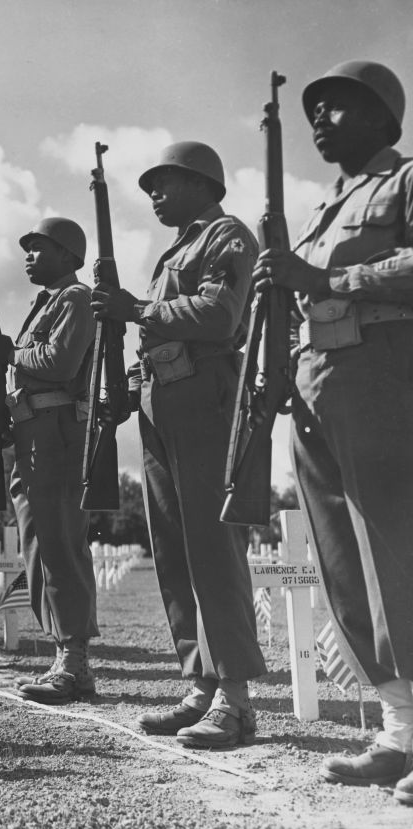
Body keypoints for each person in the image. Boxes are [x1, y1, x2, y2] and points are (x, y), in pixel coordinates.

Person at [256, 60, 413, 798]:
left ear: (384, 115)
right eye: (312, 111)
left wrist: (328, 281)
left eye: (338, 107)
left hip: (381, 374)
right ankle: (399, 727)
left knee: (393, 549)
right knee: (342, 559)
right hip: (316, 385)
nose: (320, 119)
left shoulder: (404, 181)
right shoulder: (323, 208)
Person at [91, 141, 266, 746]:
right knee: (173, 548)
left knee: (211, 545)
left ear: (202, 182)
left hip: (205, 394)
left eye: (163, 183)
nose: (154, 196)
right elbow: (154, 333)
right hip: (162, 398)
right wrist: (127, 384)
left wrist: (137, 308)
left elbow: (219, 314)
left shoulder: (227, 236)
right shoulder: (179, 249)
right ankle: (202, 687)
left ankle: (237, 699)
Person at [0, 218, 99, 702]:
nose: (28, 256)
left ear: (69, 255)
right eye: (25, 249)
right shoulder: (46, 303)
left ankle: (74, 660)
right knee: (38, 547)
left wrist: (11, 353)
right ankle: (63, 655)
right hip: (32, 434)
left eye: (39, 248)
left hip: (57, 436)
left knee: (60, 545)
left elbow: (60, 363)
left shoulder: (76, 299)